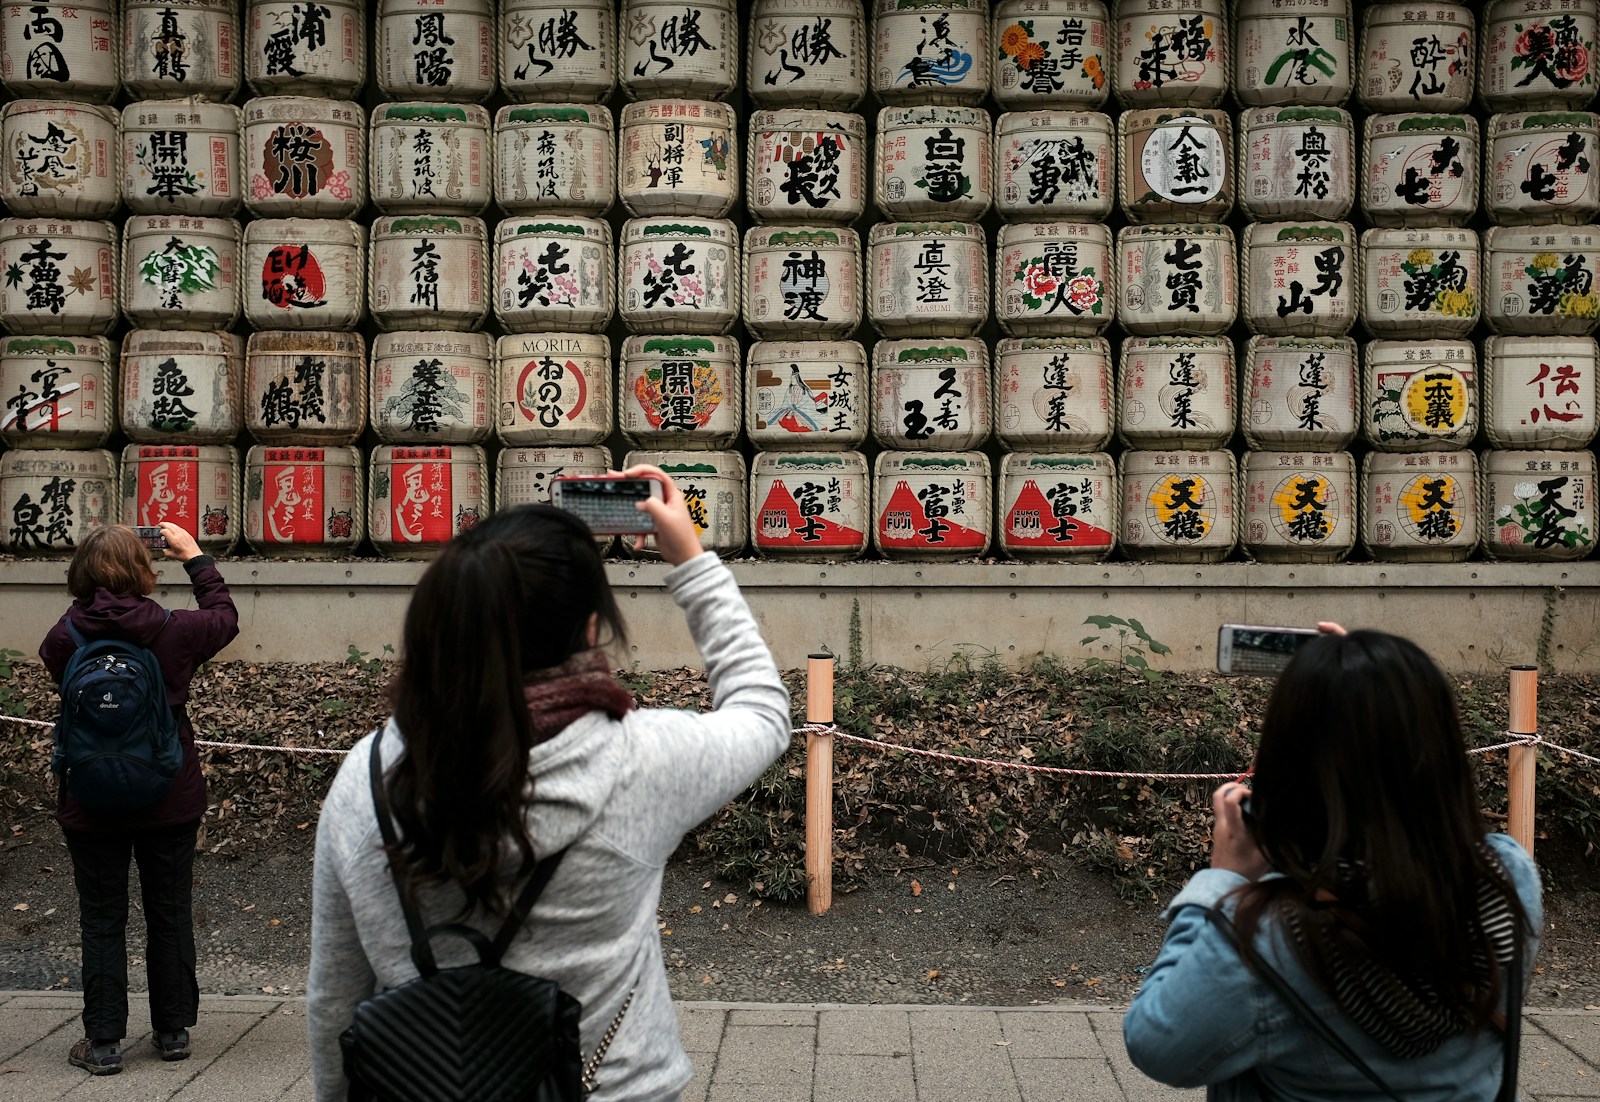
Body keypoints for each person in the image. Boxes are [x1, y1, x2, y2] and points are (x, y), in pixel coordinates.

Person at [307, 466, 791, 1102]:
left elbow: (336, 999)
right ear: (590, 628)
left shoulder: (369, 778)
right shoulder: (643, 764)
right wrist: (691, 559)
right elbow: (762, 712)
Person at [1124, 627, 1541, 1100]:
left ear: (1288, 767)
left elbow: (1155, 1044)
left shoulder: (1266, 943)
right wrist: (1375, 682)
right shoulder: (1506, 875)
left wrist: (1221, 883)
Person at [40, 522, 240, 1075]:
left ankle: (103, 1042)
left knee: (101, 918)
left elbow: (57, 662)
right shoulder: (176, 631)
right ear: (145, 573)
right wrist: (195, 557)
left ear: (80, 575)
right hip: (168, 790)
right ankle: (172, 1032)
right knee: (169, 912)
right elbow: (225, 617)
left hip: (91, 795)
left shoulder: (65, 637)